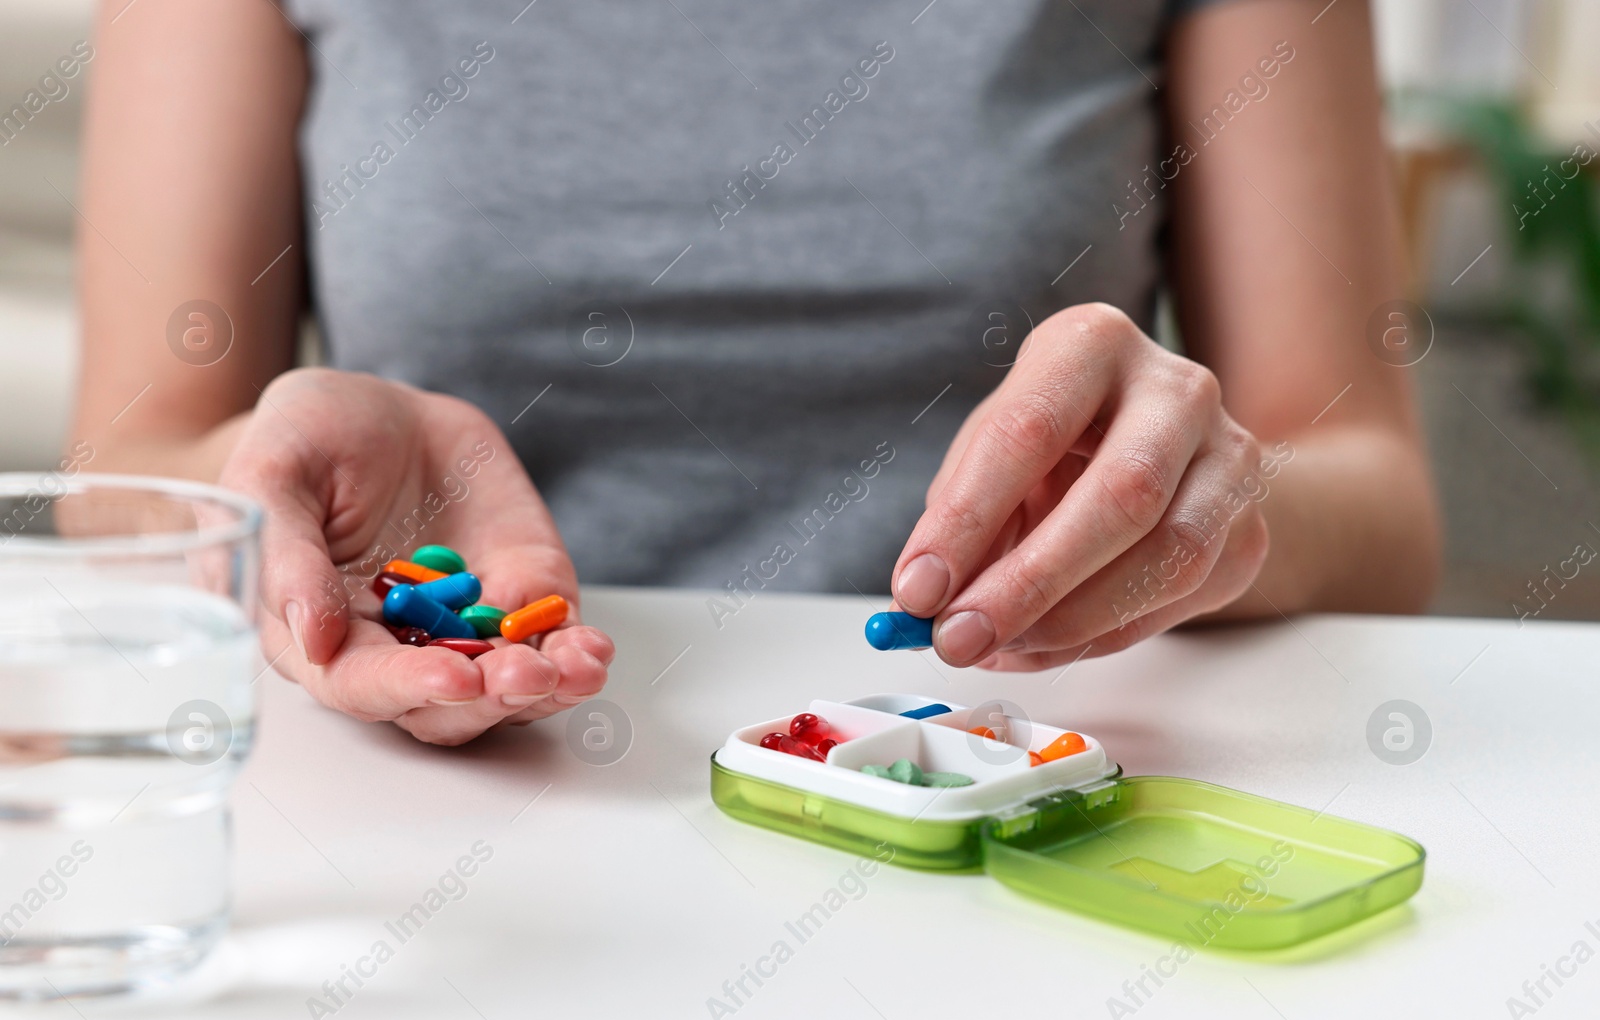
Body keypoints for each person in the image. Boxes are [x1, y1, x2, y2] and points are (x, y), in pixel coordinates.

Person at [69, 0, 1440, 744]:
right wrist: (277, 487)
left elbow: (1379, 512)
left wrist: (1201, 503)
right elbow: (124, 480)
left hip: (1005, 769)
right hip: (470, 819)